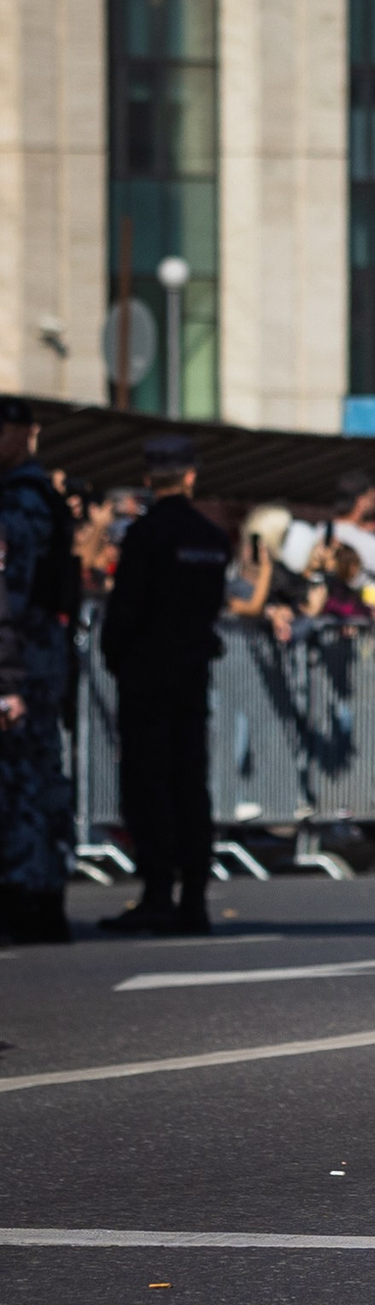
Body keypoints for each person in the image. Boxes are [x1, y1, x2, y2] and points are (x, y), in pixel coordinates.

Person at [98, 436, 230, 935]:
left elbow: (126, 610)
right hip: (191, 673)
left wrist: (119, 657)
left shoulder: (146, 534)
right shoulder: (211, 538)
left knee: (148, 784)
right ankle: (193, 897)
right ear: (191, 476)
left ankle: (158, 893)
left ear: (151, 479)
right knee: (190, 786)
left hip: (147, 676)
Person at [0, 398, 76, 943]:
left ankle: (29, 897)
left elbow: (13, 593)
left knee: (24, 778)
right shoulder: (42, 495)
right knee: (43, 773)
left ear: (26, 434)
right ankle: (45, 894)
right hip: (38, 655)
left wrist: (8, 675)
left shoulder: (21, 500)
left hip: (22, 658)